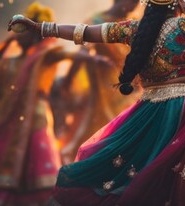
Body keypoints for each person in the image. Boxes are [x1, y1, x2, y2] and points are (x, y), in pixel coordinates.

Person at [9, 0, 185, 206]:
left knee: (142, 175)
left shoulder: (133, 30)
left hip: (147, 111)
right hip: (183, 111)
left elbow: (83, 32)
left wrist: (39, 27)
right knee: (174, 181)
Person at [0, 4, 111, 206]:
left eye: (23, 32)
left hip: (36, 117)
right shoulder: (8, 62)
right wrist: (10, 42)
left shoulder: (44, 56)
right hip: (10, 121)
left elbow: (69, 55)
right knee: (5, 172)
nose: (17, 36)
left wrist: (92, 58)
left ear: (35, 35)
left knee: (43, 179)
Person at [51, 0, 142, 164]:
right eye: (133, 0)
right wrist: (68, 82)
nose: (135, 5)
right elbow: (82, 52)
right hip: (104, 90)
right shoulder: (97, 21)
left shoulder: (136, 22)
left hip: (132, 90)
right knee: (101, 135)